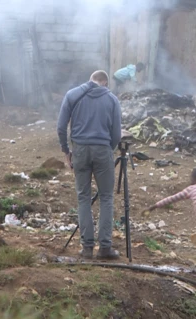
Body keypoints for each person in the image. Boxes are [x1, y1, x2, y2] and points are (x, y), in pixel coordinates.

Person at [57, 70, 122, 260]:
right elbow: (116, 134)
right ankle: (104, 248)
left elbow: (61, 127)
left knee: (83, 197)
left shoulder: (72, 95)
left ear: (91, 80)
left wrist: (66, 151)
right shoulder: (111, 99)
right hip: (103, 149)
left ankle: (86, 248)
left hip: (80, 149)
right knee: (106, 197)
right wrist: (107, 149)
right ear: (104, 82)